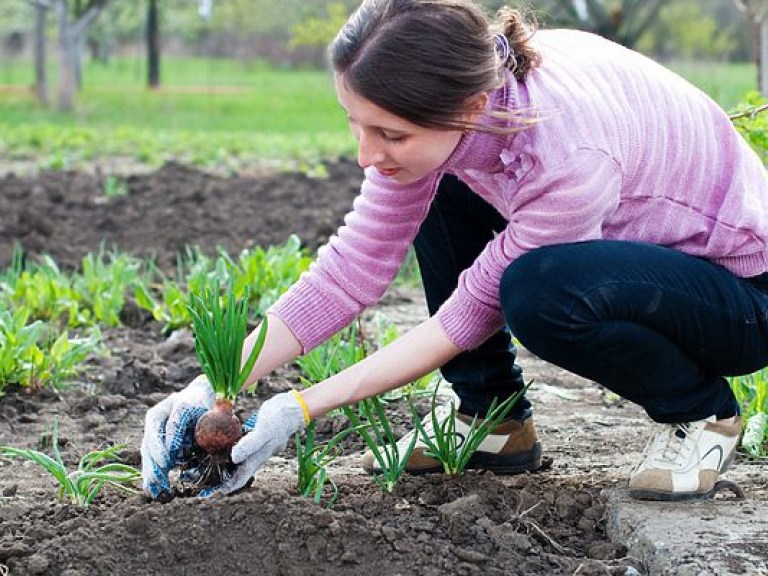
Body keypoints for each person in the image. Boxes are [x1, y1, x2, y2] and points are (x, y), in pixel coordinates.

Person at [141, 0, 768, 502]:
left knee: (539, 291)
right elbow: (348, 272)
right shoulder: (466, 101)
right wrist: (213, 385)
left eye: (390, 133)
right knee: (431, 179)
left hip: (741, 297)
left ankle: (701, 413)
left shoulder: (565, 152)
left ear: (468, 107)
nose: (366, 152)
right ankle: (492, 417)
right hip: (644, 260)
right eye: (354, 122)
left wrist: (300, 406)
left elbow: (470, 312)